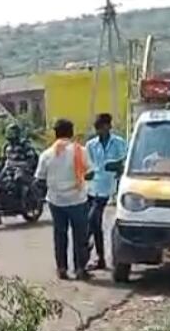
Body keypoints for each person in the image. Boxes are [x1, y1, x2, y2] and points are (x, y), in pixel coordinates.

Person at [36, 119, 91, 281]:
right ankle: (80, 269)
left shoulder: (47, 154)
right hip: (77, 199)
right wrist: (79, 176)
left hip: (56, 201)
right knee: (80, 236)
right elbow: (91, 172)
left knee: (60, 235)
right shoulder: (80, 151)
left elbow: (40, 178)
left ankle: (62, 268)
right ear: (71, 133)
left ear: (56, 134)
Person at [85, 113, 127, 271]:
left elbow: (125, 161)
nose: (99, 131)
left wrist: (117, 166)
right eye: (97, 128)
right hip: (92, 188)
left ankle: (88, 253)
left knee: (92, 220)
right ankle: (99, 257)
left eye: (102, 127)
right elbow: (88, 165)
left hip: (110, 187)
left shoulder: (119, 143)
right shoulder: (91, 145)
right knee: (93, 224)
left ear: (109, 126)